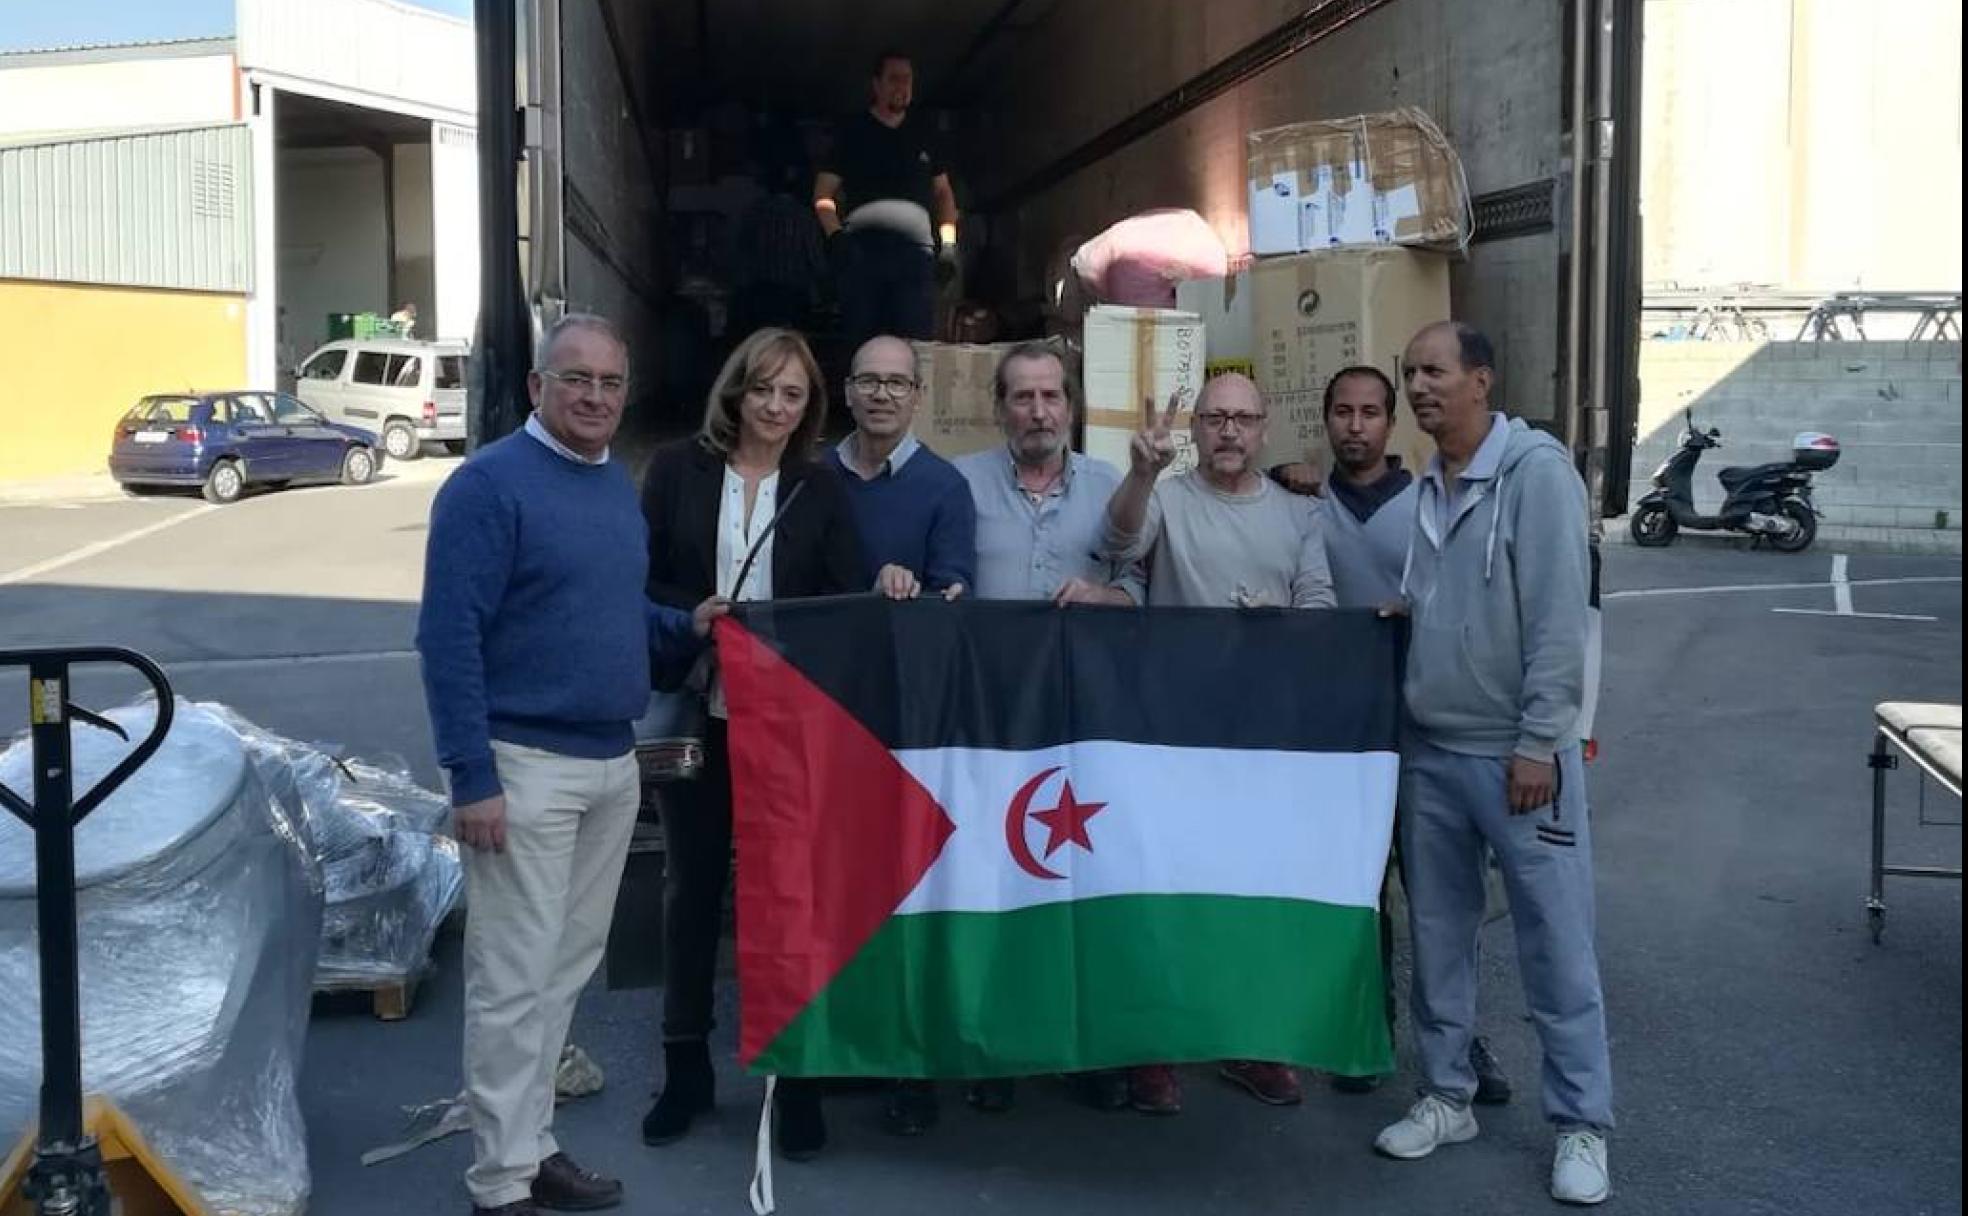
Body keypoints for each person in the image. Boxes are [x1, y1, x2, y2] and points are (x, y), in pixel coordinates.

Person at [416, 313, 726, 1216]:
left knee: (561, 974)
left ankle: (532, 1145)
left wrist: (684, 626)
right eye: (576, 379)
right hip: (521, 767)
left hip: (608, 760)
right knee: (512, 982)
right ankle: (499, 1183)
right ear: (536, 388)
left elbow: (615, 611)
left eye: (610, 383)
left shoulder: (608, 487)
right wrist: (469, 776)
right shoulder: (487, 487)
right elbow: (448, 638)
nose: (595, 396)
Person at [866, 345, 1139, 1137]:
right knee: (983, 893)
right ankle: (982, 1052)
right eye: (1021, 397)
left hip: (1080, 729)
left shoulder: (1109, 488)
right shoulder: (957, 484)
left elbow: (1140, 587)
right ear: (999, 408)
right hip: (981, 731)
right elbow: (931, 579)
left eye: (1051, 396)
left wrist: (1104, 595)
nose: (1038, 412)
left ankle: (1082, 1050)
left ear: (1072, 405)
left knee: (1076, 893)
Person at [1371, 322, 1611, 1207]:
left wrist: (1541, 740)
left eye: (1434, 371)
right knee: (1439, 933)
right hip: (1433, 752)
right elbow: (1448, 592)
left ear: (1482, 379)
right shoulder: (1430, 481)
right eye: (1411, 372)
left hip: (1518, 760)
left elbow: (1557, 617)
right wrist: (1409, 613)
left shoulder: (1535, 474)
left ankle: (1582, 1124)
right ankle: (1446, 1096)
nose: (1420, 387)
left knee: (1556, 943)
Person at [637, 327, 865, 1162]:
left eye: (793, 394)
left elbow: (844, 598)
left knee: (792, 901)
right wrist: (696, 612)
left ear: (811, 407)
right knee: (690, 892)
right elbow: (642, 575)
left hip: (791, 727)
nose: (775, 406)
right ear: (735, 389)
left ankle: (796, 1080)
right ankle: (685, 1070)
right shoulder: (673, 470)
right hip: (702, 713)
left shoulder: (820, 487)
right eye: (763, 388)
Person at [1102, 372, 1334, 1116]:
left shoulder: (1300, 516)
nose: (1228, 431)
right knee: (1164, 894)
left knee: (1249, 897)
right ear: (1195, 430)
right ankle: (1155, 1050)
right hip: (1172, 735)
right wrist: (1141, 471)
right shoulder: (1167, 498)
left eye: (1242, 418)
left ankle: (1247, 1042)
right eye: (1214, 418)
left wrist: (1283, 624)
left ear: (1265, 429)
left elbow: (1322, 607)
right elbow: (1114, 542)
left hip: (1262, 741)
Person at [1311, 365, 1513, 1106]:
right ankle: (1366, 1032)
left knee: (1440, 898)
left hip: (1427, 734)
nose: (1355, 425)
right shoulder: (1302, 503)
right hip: (1341, 739)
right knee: (1357, 896)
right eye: (1342, 412)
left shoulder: (1431, 503)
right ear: (1326, 420)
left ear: (1390, 422)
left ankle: (1461, 1041)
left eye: (1369, 412)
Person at [813, 50, 959, 348]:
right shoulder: (852, 133)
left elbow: (943, 194)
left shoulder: (925, 133)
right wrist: (836, 237)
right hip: (864, 258)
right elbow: (823, 195)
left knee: (915, 348)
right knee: (863, 347)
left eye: (908, 80)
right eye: (894, 79)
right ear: (876, 84)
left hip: (915, 259)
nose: (902, 86)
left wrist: (949, 247)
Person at [831, 334, 976, 601]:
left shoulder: (947, 487)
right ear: (848, 393)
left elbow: (952, 591)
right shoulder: (816, 476)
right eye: (868, 381)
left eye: (897, 383)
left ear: (918, 396)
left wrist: (909, 590)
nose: (881, 395)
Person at [731, 157, 828, 338]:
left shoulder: (754, 213)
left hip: (759, 294)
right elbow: (817, 261)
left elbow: (741, 256)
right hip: (793, 297)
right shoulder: (803, 217)